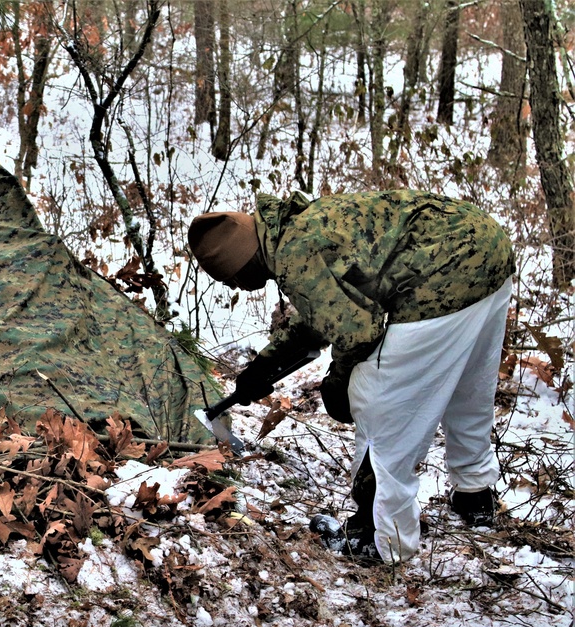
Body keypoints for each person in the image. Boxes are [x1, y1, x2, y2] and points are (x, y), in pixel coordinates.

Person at [188, 190, 514, 564]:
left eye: (231, 278)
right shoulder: (300, 226)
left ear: (241, 261)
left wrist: (340, 381)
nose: (235, 288)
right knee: (468, 387)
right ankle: (475, 492)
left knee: (376, 402)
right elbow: (327, 309)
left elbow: (358, 332)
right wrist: (265, 365)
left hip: (438, 280)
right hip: (488, 250)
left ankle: (379, 538)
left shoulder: (295, 253)